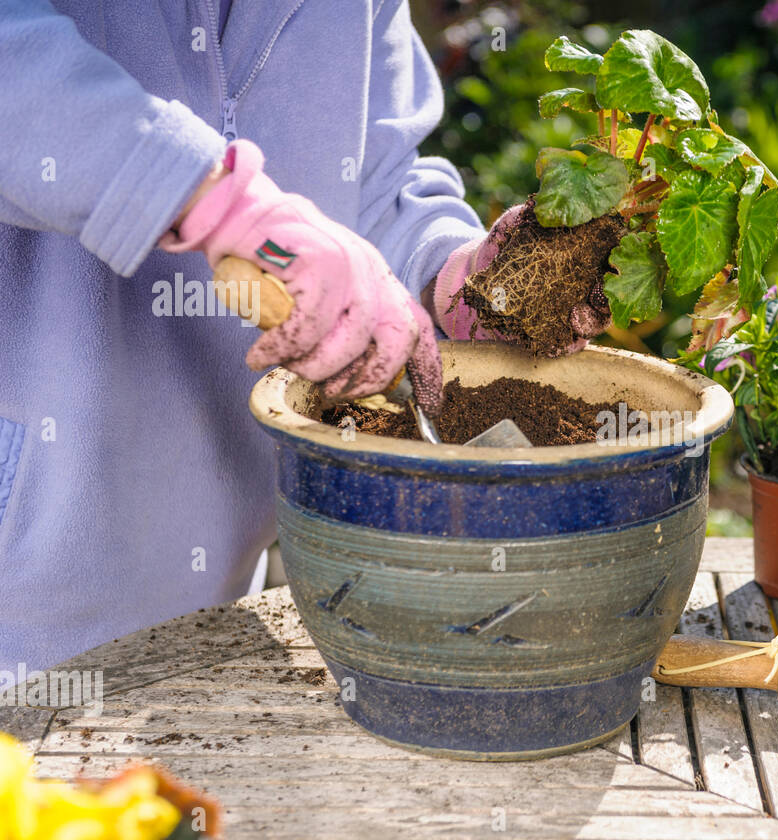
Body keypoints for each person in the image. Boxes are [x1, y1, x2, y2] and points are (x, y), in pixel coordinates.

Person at [0, 1, 609, 674]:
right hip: (25, 584)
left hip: (215, 579)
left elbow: (374, 177)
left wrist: (448, 274)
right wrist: (207, 196)